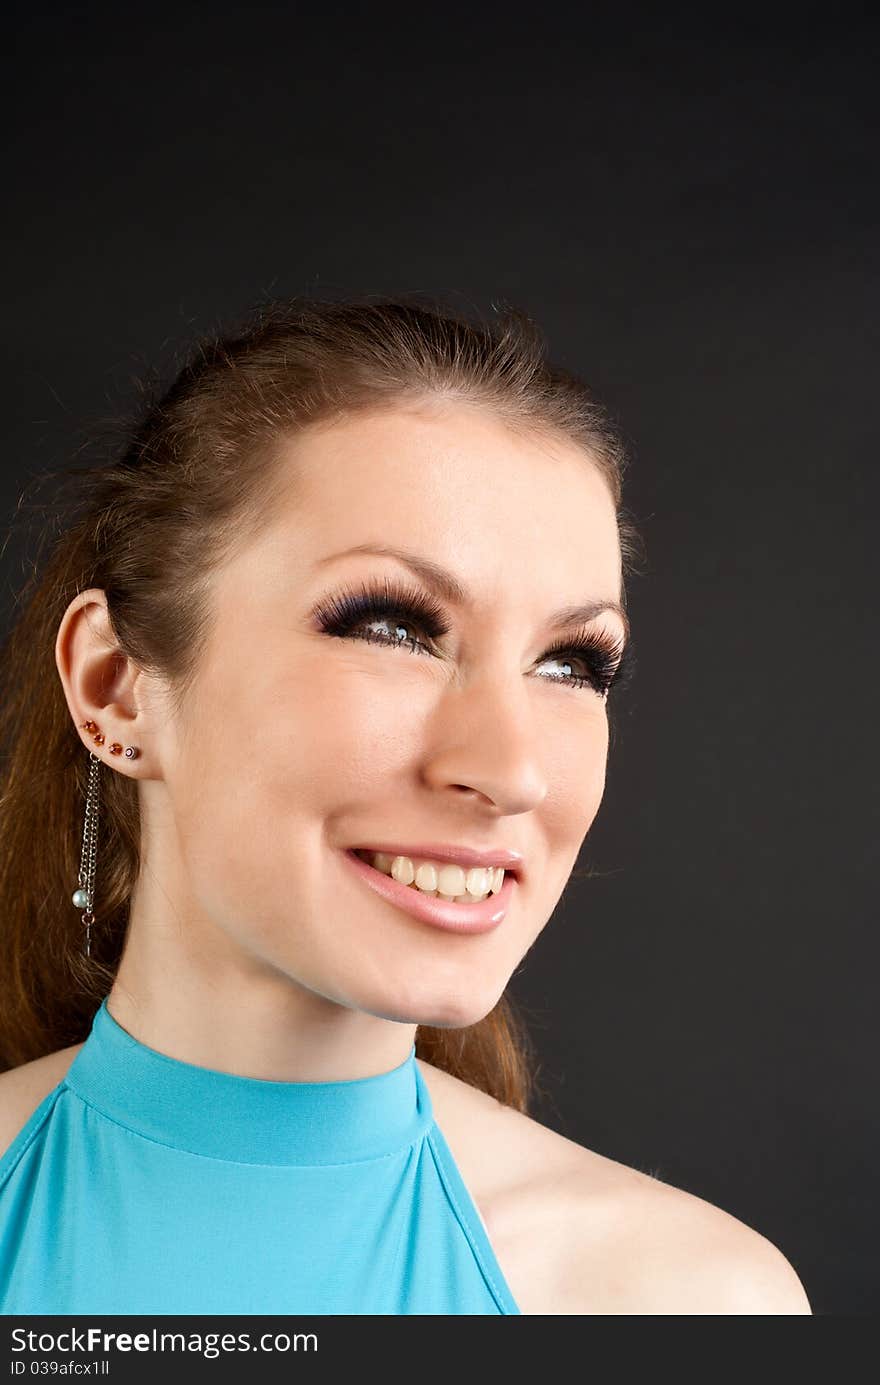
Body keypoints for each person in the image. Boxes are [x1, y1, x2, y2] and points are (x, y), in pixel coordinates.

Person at [0, 294, 811, 1314]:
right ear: (116, 684)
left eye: (572, 662)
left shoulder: (682, 1299)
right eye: (391, 627)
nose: (511, 770)